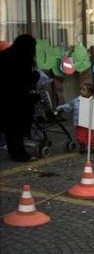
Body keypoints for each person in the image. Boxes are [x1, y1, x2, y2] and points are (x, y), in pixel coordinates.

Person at [0, 34, 40, 162]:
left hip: (4, 99)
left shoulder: (4, 55)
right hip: (19, 100)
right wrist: (35, 76)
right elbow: (26, 81)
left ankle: (15, 151)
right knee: (17, 128)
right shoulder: (23, 59)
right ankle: (19, 153)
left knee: (10, 128)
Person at [56, 83, 94, 153]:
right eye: (81, 89)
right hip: (80, 122)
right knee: (80, 134)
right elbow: (69, 106)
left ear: (89, 93)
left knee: (92, 134)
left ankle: (90, 146)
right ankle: (82, 145)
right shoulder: (76, 101)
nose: (81, 91)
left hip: (91, 123)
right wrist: (59, 108)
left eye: (84, 90)